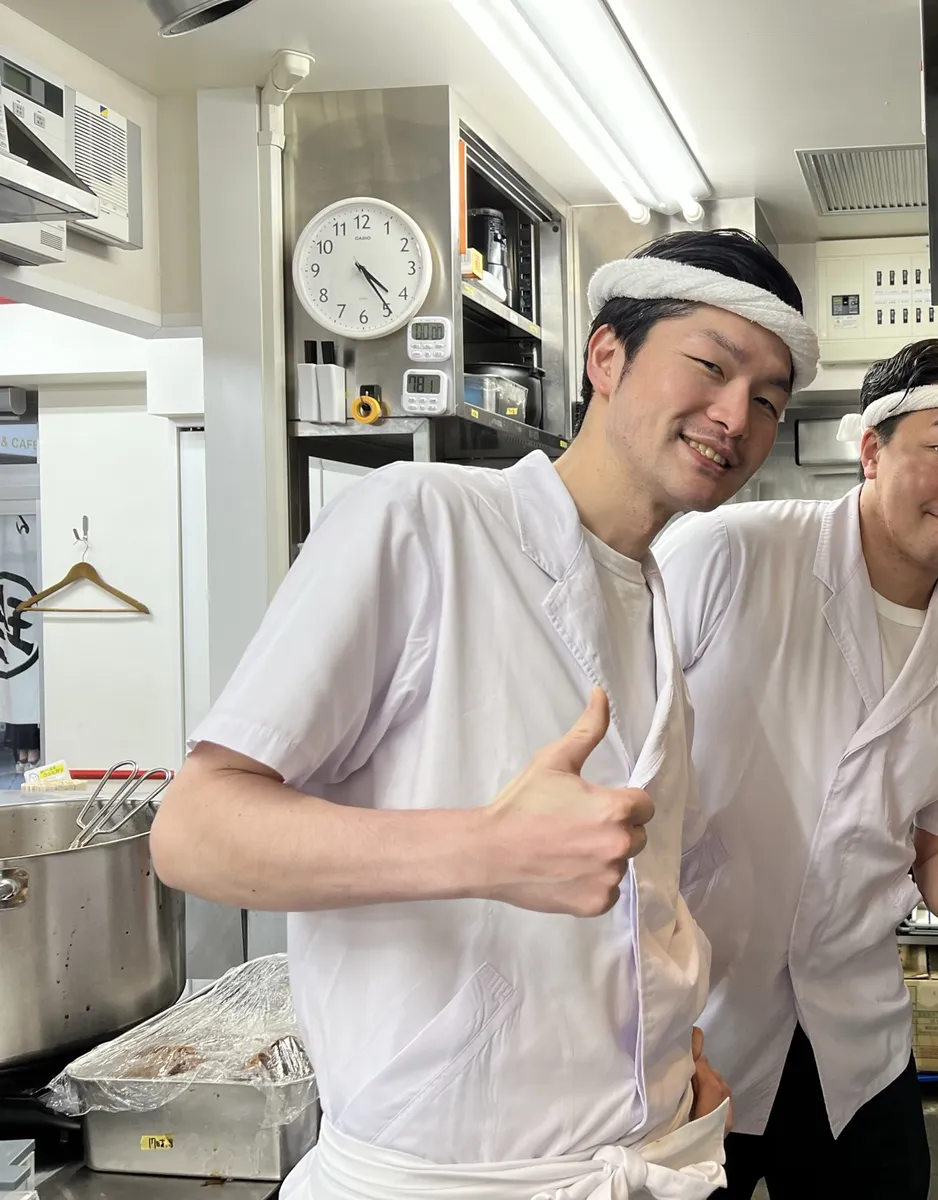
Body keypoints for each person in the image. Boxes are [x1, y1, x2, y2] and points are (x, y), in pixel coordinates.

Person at [149, 228, 817, 1200]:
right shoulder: (421, 521)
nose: (735, 416)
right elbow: (194, 831)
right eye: (711, 368)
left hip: (648, 1148)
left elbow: (636, 892)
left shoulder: (652, 592)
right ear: (605, 356)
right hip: (449, 1178)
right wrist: (486, 848)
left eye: (767, 400)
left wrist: (671, 1049)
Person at [654, 337, 938, 1200]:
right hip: (688, 1021)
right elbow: (615, 767)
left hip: (850, 1032)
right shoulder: (729, 556)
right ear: (873, 450)